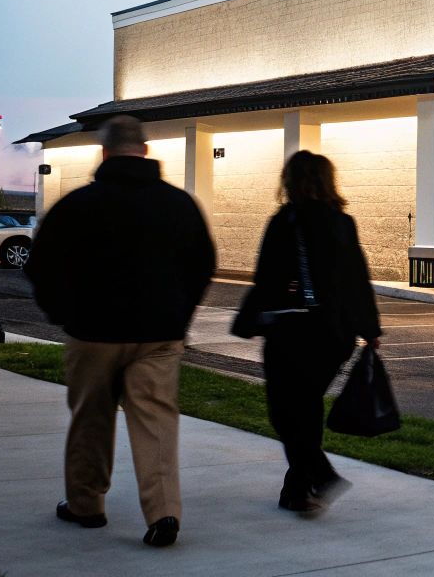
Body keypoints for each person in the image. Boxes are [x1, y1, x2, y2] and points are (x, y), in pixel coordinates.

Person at [23, 115, 216, 548]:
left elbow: (40, 266)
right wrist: (180, 316)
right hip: (160, 333)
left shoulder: (77, 205)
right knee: (156, 420)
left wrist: (63, 313)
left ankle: (86, 504)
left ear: (104, 153)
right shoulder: (179, 205)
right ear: (145, 152)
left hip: (93, 332)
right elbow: (203, 265)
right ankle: (163, 511)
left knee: (91, 418)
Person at [233, 150, 381, 514]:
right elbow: (356, 280)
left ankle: (320, 473)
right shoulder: (341, 222)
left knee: (285, 414)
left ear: (290, 181)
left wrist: (250, 319)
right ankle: (298, 491)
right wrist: (369, 328)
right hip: (334, 335)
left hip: (290, 331)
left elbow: (265, 277)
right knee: (306, 408)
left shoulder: (285, 221)